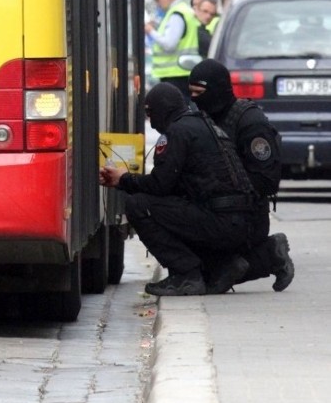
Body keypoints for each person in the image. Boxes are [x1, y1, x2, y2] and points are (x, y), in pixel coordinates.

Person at [100, 82, 263, 296]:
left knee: (139, 205)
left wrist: (123, 179)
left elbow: (159, 186)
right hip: (241, 222)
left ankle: (186, 275)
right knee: (176, 209)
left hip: (221, 222)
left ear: (163, 110)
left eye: (151, 114)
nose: (151, 124)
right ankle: (221, 264)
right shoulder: (205, 124)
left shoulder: (176, 132)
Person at [188, 58, 295, 294]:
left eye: (200, 92)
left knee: (213, 276)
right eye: (191, 93)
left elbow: (267, 180)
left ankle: (269, 254)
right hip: (212, 208)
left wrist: (227, 188)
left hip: (245, 215)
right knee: (200, 274)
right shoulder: (201, 120)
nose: (195, 99)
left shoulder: (249, 122)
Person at [145, 0, 200, 98]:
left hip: (175, 74)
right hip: (181, 72)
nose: (157, 3)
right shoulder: (182, 10)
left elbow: (169, 44)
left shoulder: (177, 14)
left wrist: (151, 31)